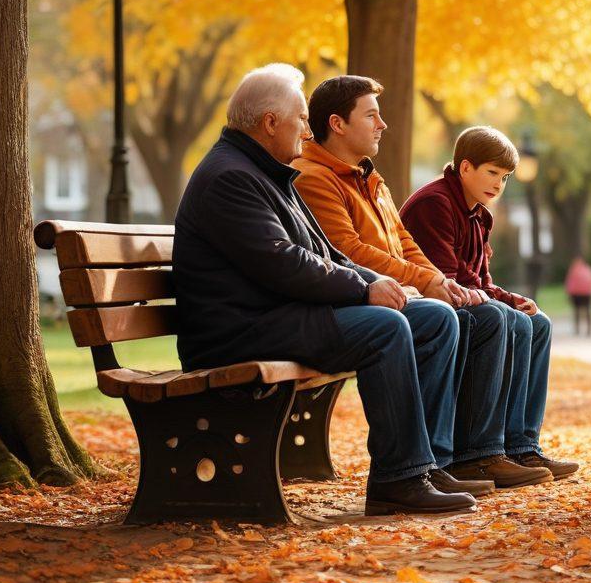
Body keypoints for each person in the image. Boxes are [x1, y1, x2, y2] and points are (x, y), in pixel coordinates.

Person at [173, 63, 476, 517]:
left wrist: (378, 280)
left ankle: (427, 464)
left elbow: (325, 254)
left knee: (434, 319)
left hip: (278, 315)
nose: (307, 132)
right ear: (269, 123)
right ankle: (399, 477)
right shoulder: (231, 177)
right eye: (300, 119)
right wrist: (363, 291)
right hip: (240, 329)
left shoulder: (269, 171)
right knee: (385, 328)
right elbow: (282, 263)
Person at [293, 75, 552, 492]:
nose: (383, 125)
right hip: (358, 300)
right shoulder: (315, 177)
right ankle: (462, 456)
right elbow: (349, 251)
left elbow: (405, 244)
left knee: (511, 319)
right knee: (474, 318)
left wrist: (432, 280)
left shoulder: (370, 180)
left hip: (396, 293)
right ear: (338, 123)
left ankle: (495, 449)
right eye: (372, 115)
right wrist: (432, 284)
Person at [401, 126, 579, 481]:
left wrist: (516, 300)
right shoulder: (435, 203)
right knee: (500, 317)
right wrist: (505, 303)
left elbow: (480, 282)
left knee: (537, 322)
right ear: (465, 168)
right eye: (492, 173)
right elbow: (447, 277)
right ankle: (480, 452)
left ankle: (522, 446)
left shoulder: (481, 216)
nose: (498, 184)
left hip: (462, 299)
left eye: (505, 177)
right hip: (428, 306)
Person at [564, 256, 591, 336]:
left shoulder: (573, 270)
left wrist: (568, 293)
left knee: (577, 311)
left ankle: (577, 329)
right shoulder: (588, 269)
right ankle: (589, 330)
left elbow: (569, 282)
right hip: (587, 293)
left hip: (576, 293)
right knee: (588, 311)